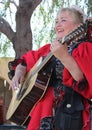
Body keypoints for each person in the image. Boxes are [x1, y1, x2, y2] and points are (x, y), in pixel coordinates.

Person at [8, 5, 92, 130]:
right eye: (56, 21)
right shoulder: (48, 50)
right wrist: (19, 71)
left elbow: (84, 81)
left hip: (69, 113)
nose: (58, 24)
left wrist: (64, 57)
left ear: (78, 26)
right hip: (41, 111)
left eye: (63, 20)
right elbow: (26, 60)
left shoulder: (84, 48)